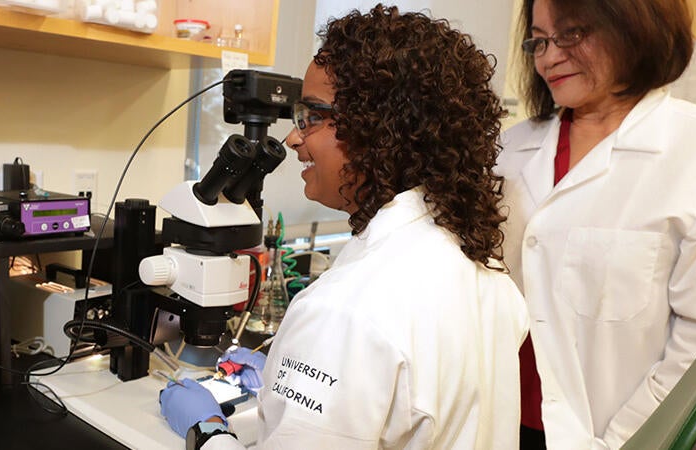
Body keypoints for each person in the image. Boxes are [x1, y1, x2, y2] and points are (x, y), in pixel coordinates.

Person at [157, 6, 529, 449]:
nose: (294, 138)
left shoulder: (345, 311)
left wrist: (210, 431)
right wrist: (295, 374)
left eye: (311, 116)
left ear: (380, 127)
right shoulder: (481, 267)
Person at [500, 0, 696, 448]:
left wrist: (626, 441)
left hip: (612, 434)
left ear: (635, 25)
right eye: (540, 40)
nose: (548, 57)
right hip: (498, 420)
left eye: (571, 33)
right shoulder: (510, 149)